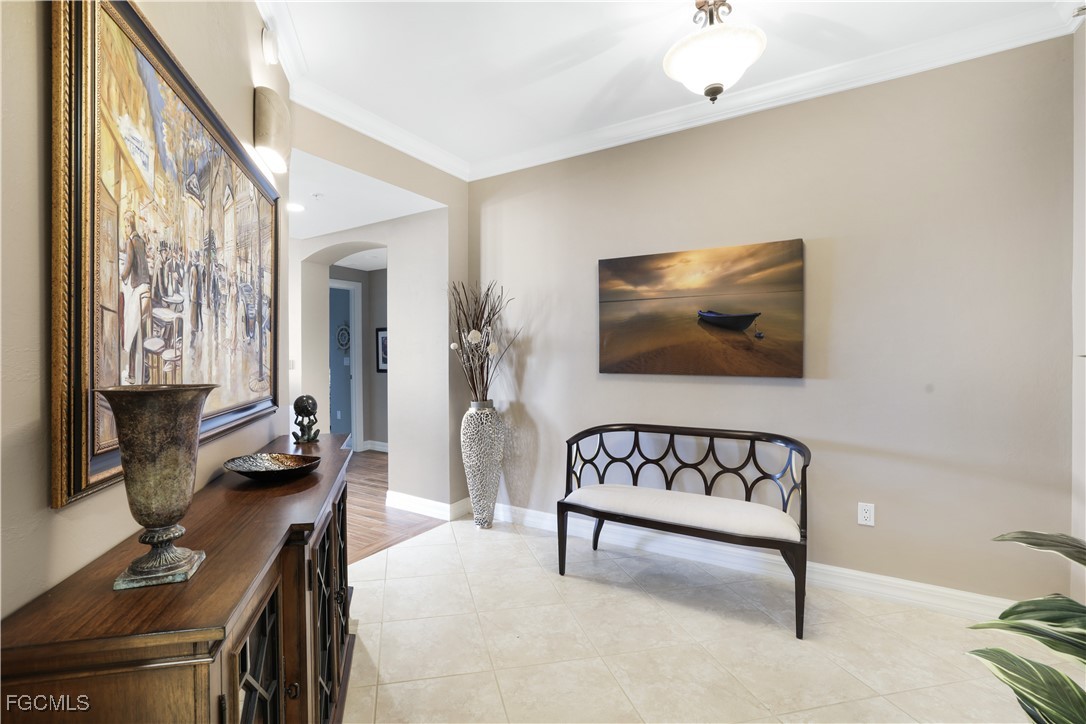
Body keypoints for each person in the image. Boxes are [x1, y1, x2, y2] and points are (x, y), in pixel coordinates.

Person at [120, 211, 151, 384]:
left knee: (130, 329)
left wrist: (121, 277)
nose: (125, 229)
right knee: (142, 331)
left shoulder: (130, 241)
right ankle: (144, 371)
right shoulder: (141, 241)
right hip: (146, 289)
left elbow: (128, 266)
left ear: (129, 225)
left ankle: (132, 374)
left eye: (126, 225)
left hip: (138, 289)